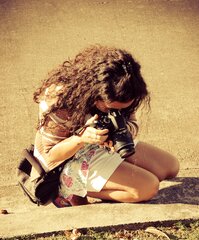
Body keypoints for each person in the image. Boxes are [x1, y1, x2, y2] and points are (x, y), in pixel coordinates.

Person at [32, 45, 179, 207]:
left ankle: (109, 175)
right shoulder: (59, 100)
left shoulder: (124, 89)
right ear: (95, 92)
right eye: (111, 109)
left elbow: (133, 124)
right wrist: (81, 139)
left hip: (101, 146)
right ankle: (68, 189)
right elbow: (50, 156)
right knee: (147, 187)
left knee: (170, 167)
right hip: (66, 160)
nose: (119, 112)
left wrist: (118, 132)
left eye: (124, 108)